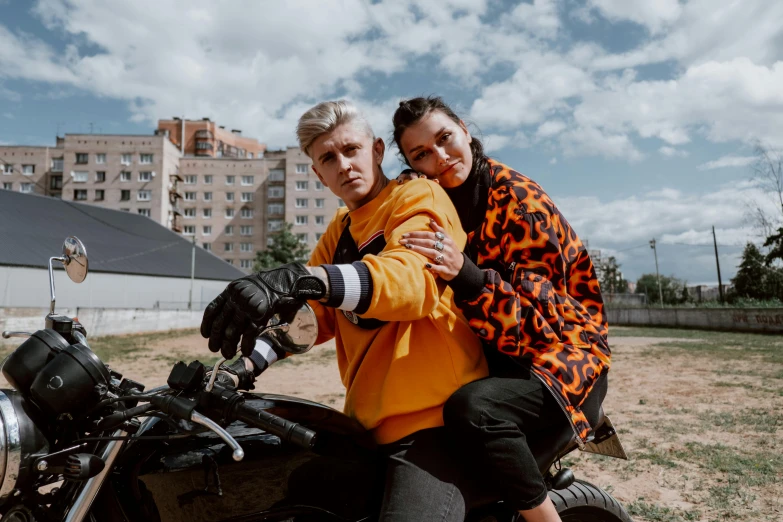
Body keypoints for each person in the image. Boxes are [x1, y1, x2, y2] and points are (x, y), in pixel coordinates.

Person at [200, 100, 488, 521]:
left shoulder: (417, 195)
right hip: (364, 425)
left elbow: (411, 283)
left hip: (434, 424)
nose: (344, 165)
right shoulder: (339, 229)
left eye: (351, 150)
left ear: (375, 150)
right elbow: (313, 318)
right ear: (318, 174)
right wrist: (241, 367)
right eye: (329, 158)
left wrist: (300, 278)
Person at [391, 96, 611, 522]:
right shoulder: (437, 199)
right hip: (500, 363)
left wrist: (467, 275)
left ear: (464, 130)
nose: (440, 156)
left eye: (444, 138)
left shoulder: (519, 203)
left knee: (473, 408)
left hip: (566, 362)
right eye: (421, 154)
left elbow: (544, 329)